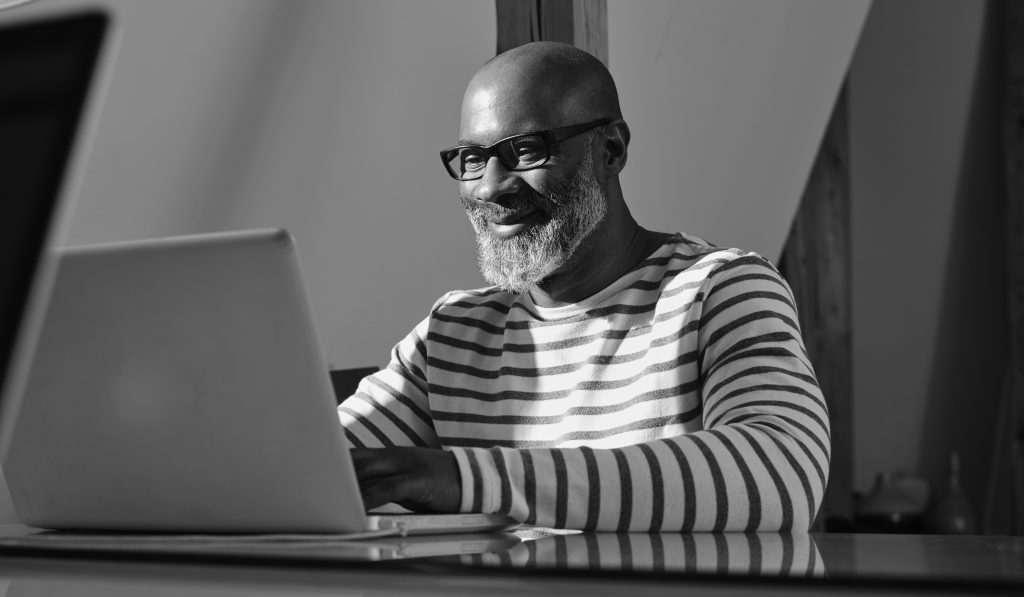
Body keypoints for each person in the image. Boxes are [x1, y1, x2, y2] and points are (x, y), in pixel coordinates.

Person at [338, 41, 830, 532]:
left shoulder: (719, 290)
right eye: (471, 158)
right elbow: (313, 468)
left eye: (526, 151)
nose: (490, 187)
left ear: (610, 150)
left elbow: (780, 474)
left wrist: (467, 479)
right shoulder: (452, 334)